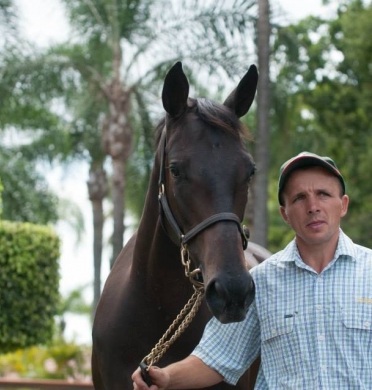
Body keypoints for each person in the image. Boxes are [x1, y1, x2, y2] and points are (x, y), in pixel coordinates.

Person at [132, 151, 372, 389]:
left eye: (323, 194)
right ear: (284, 214)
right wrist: (167, 378)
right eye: (299, 198)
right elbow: (216, 359)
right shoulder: (262, 281)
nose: (313, 206)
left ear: (343, 205)